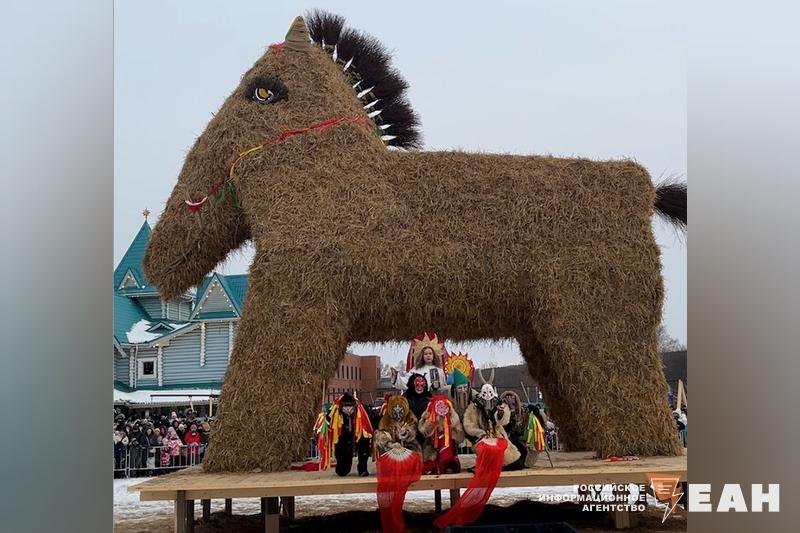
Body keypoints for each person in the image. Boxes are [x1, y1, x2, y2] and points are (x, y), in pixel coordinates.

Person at [462, 373, 520, 469]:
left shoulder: (500, 404)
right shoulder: (474, 407)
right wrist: (480, 433)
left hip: (498, 435)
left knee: (510, 459)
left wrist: (500, 415)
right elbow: (468, 424)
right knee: (487, 453)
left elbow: (505, 420)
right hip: (482, 437)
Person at [328, 392, 374, 477]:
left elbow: (370, 420)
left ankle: (363, 469)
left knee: (363, 448)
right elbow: (329, 421)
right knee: (341, 470)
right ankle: (343, 467)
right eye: (345, 406)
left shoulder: (363, 410)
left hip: (359, 434)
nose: (348, 409)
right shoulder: (335, 411)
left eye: (350, 406)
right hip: (343, 435)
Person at [418, 395, 465, 474]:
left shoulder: (452, 420)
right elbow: (424, 431)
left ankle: (447, 463)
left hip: (448, 446)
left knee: (448, 446)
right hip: (432, 447)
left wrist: (449, 432)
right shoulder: (430, 417)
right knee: (429, 461)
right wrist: (432, 423)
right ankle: (434, 465)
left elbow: (459, 437)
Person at [499, 391, 528, 470]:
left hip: (515, 436)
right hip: (505, 436)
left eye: (513, 398)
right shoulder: (501, 409)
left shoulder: (520, 411)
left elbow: (520, 427)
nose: (511, 399)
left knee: (523, 451)